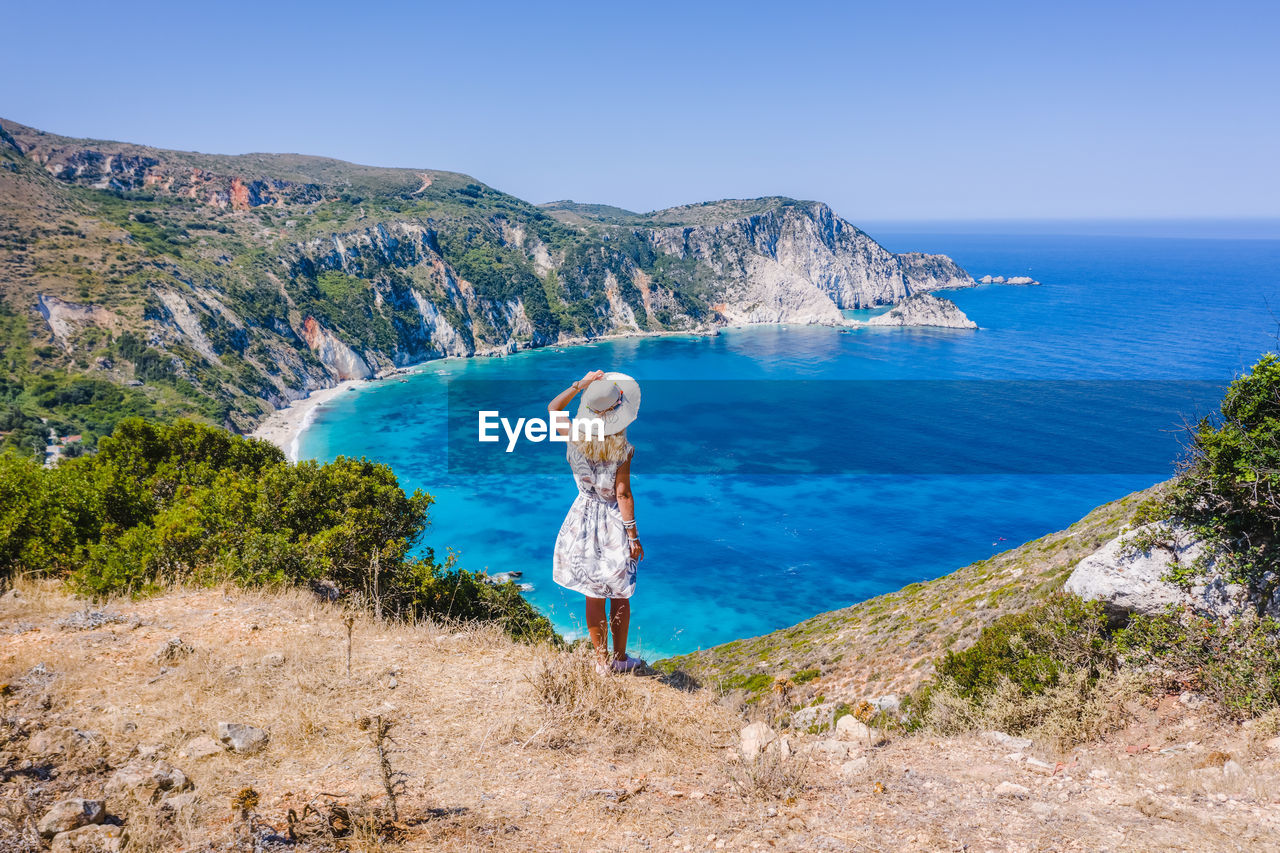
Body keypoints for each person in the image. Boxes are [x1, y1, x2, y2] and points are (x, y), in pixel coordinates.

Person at [548, 369, 644, 675]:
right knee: (619, 593)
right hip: (613, 522)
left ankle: (601, 663)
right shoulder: (623, 450)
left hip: (583, 518)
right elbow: (622, 494)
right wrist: (633, 537)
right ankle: (620, 658)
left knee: (593, 595)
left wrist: (580, 385)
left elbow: (553, 408)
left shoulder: (574, 435)